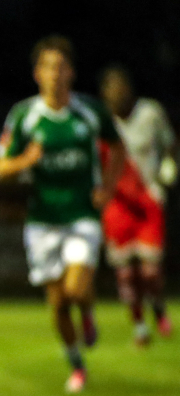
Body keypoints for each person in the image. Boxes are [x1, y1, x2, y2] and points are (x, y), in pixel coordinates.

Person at [0, 35, 125, 393]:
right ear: (37, 73)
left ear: (72, 73)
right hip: (42, 221)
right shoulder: (25, 116)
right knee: (58, 304)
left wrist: (108, 188)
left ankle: (88, 310)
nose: (55, 74)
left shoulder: (89, 112)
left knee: (75, 287)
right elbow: (0, 168)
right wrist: (25, 160)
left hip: (82, 216)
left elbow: (118, 147)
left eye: (61, 67)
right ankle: (77, 364)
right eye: (49, 67)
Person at [99, 66, 174, 345]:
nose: (117, 95)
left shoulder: (150, 113)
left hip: (148, 199)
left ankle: (158, 306)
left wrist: (168, 168)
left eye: (121, 89)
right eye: (111, 91)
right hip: (118, 204)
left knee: (150, 270)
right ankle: (139, 324)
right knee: (126, 273)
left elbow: (169, 144)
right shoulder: (103, 122)